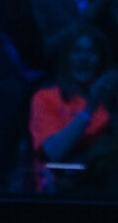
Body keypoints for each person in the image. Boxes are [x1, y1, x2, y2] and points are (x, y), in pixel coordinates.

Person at [29, 25, 118, 191]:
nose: (84, 58)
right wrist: (90, 107)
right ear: (66, 58)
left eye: (91, 52)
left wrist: (113, 107)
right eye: (77, 51)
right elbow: (52, 153)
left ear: (102, 59)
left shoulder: (112, 101)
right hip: (60, 184)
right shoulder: (45, 97)